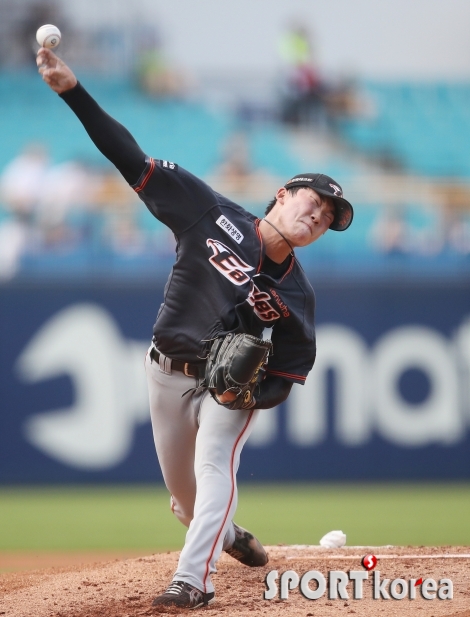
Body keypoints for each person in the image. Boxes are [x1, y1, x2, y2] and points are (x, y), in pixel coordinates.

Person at [37, 47, 354, 610]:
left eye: (330, 218)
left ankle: (192, 581)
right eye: (315, 202)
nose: (319, 217)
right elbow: (128, 157)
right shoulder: (210, 212)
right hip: (165, 370)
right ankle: (229, 536)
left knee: (215, 467)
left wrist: (248, 391)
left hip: (225, 394)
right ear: (282, 193)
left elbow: (288, 371)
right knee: (186, 503)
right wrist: (72, 91)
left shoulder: (297, 295)